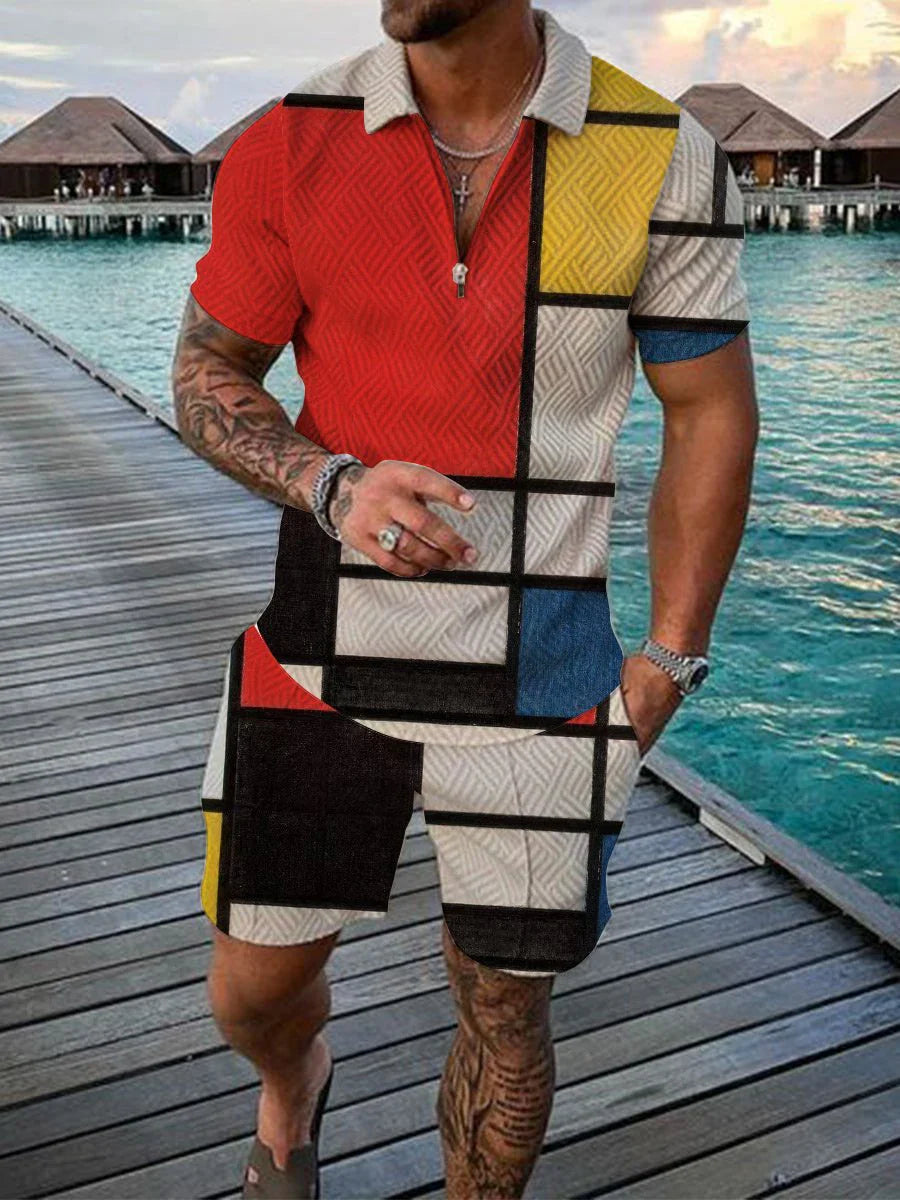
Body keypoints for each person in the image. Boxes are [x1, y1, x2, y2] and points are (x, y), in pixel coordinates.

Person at [171, 3, 757, 1197]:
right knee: (252, 994)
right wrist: (331, 484)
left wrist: (671, 656)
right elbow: (206, 368)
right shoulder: (295, 138)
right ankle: (293, 1079)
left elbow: (709, 411)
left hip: (546, 675)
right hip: (315, 655)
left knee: (505, 1010)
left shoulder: (659, 151)